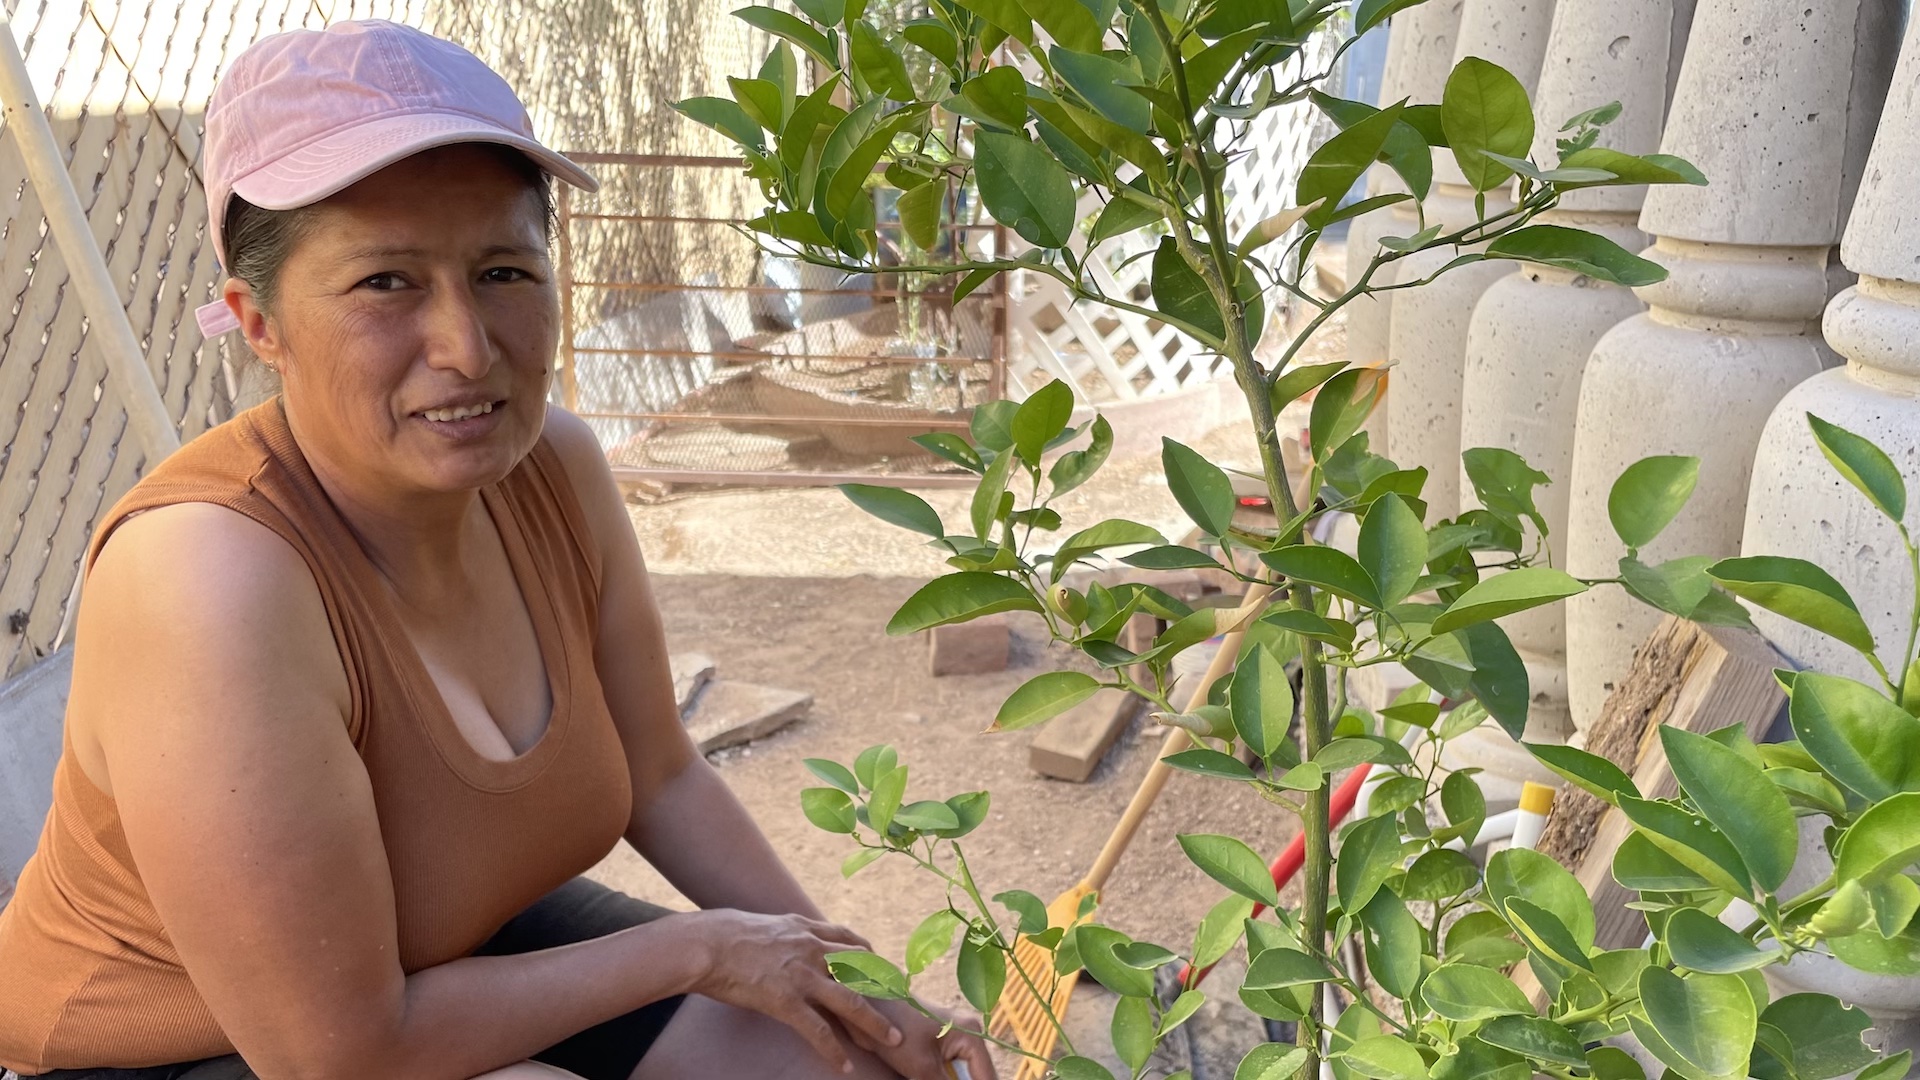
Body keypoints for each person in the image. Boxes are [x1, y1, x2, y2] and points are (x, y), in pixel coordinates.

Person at [0, 20, 993, 1080]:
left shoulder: (554, 467)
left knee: (835, 1059)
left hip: (449, 944)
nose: (466, 350)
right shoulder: (212, 579)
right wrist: (702, 948)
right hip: (173, 1040)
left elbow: (661, 776)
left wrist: (865, 998)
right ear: (259, 322)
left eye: (504, 272)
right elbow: (334, 1050)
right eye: (386, 283)